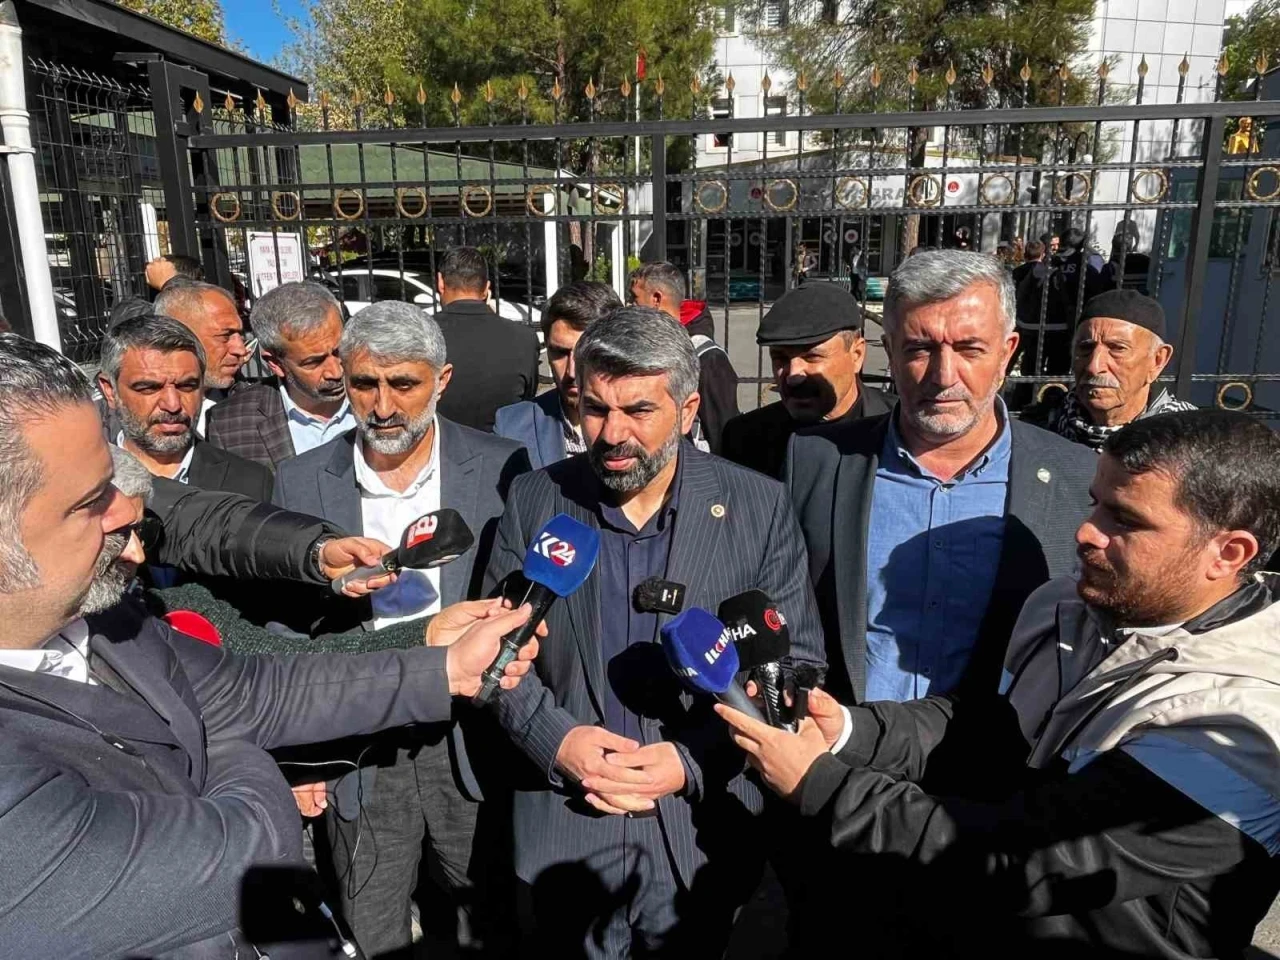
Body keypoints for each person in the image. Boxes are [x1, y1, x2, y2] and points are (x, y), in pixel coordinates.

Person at [0, 332, 540, 960]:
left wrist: (445, 666)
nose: (129, 519)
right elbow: (245, 851)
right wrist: (230, 742)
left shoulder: (112, 621)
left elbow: (257, 687)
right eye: (93, 501)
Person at [720, 410, 1280, 958]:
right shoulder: (1067, 608)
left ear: (1228, 553)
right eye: (1095, 503)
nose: (1086, 530)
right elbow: (988, 730)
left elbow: (1028, 858)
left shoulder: (1242, 721)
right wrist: (849, 730)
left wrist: (821, 784)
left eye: (1125, 520)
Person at [482, 306, 825, 959]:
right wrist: (558, 742)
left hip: (699, 838)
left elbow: (796, 666)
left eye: (638, 410)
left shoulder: (758, 506)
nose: (612, 434)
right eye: (595, 410)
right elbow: (496, 656)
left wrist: (689, 761)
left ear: (688, 409)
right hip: (564, 830)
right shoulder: (534, 500)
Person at [272, 300, 530, 957]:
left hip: (469, 743)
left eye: (403, 384)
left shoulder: (505, 469)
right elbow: (285, 627)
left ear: (442, 380)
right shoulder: (300, 482)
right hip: (360, 748)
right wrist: (299, 758)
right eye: (365, 384)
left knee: (486, 925)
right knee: (372, 928)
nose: (383, 406)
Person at [787, 251, 1096, 706]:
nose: (943, 375)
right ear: (890, 352)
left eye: (970, 349)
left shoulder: (1078, 478)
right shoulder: (816, 461)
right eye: (920, 349)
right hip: (845, 742)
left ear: (1007, 352)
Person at [720, 283, 890, 479]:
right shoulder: (745, 439)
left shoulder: (900, 429)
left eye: (812, 357)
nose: (793, 375)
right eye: (780, 358)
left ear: (856, 355)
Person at [97, 315, 272, 500]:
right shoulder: (85, 483)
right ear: (110, 391)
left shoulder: (250, 482)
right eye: (149, 388)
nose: (173, 405)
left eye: (187, 386)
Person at [1023, 289, 1196, 451]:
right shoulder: (1037, 430)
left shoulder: (1189, 441)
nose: (1094, 366)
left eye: (1117, 349)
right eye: (1085, 348)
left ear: (1158, 361)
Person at [206, 281, 355, 469]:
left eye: (339, 351)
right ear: (275, 363)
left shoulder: (381, 394)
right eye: (313, 362)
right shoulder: (230, 424)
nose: (336, 371)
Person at [495, 280, 622, 469]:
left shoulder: (648, 423)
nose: (571, 371)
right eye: (560, 353)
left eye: (585, 354)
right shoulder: (513, 426)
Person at [629, 260, 740, 454]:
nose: (630, 305)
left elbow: (726, 437)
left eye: (634, 298)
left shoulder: (708, 359)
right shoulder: (647, 347)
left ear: (656, 299)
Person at [432, 246, 541, 433]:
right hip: (504, 447)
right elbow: (526, 403)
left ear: (441, 282)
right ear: (486, 289)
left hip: (440, 446)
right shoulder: (524, 339)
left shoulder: (420, 336)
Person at [153, 279, 251, 431]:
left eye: (240, 335)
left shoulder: (253, 403)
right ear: (176, 336)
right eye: (225, 336)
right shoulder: (123, 416)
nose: (241, 350)